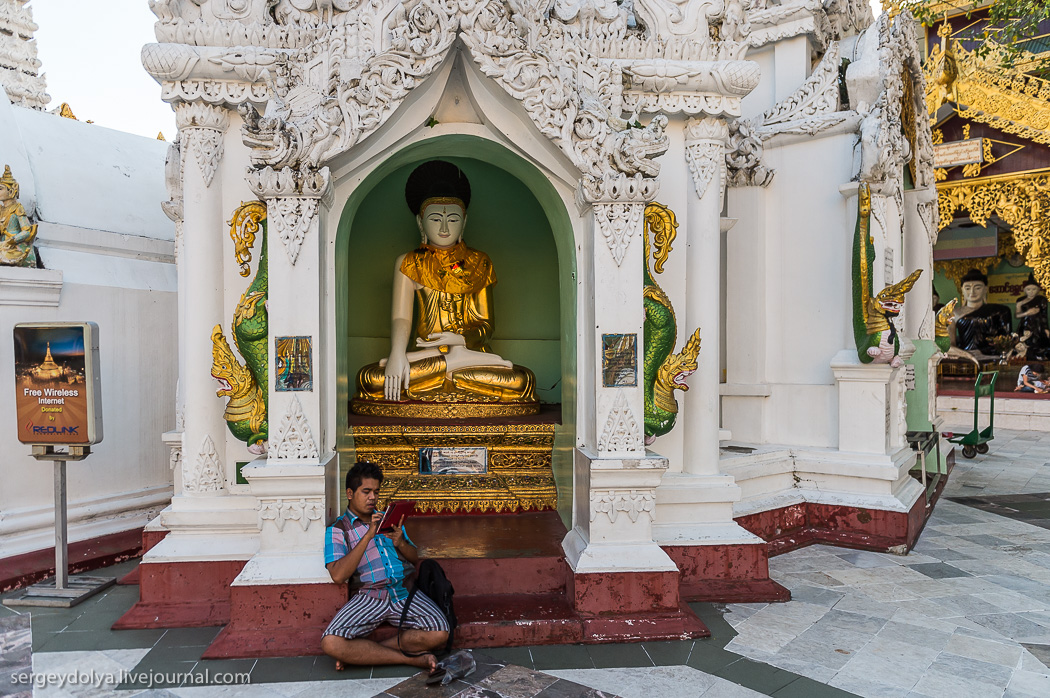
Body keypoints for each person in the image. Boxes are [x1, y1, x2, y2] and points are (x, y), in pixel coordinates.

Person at [355, 160, 536, 405]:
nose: (443, 228)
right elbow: (401, 318)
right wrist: (397, 354)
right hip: (427, 358)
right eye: (434, 219)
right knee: (370, 379)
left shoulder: (479, 262)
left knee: (522, 381)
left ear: (464, 222)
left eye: (452, 219)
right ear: (420, 222)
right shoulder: (408, 263)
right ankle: (451, 365)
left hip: (473, 356)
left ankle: (455, 362)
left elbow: (486, 326)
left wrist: (460, 340)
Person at [321, 461, 449, 672]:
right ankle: (411, 660)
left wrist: (401, 542)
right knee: (331, 643)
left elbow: (414, 558)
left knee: (440, 632)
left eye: (376, 492)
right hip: (370, 596)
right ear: (350, 493)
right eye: (366, 491)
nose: (373, 497)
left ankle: (364, 653)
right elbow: (337, 575)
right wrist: (368, 535)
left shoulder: (389, 519)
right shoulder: (337, 529)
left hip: (402, 592)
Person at [950, 268, 1013, 360]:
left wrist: (984, 352)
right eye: (967, 288)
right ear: (962, 290)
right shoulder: (954, 314)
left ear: (985, 289)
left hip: (992, 358)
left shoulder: (1000, 311)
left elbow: (1006, 341)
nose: (972, 292)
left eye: (978, 288)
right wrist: (966, 355)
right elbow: (948, 345)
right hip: (966, 358)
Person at [1016, 276, 1050, 360]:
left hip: (1038, 324)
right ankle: (1025, 356)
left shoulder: (1041, 299)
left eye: (1034, 289)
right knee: (1023, 342)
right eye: (1028, 289)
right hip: (1025, 324)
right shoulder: (1020, 300)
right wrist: (1027, 313)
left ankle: (1038, 357)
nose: (1031, 292)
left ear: (1038, 290)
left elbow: (1044, 314)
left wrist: (1046, 328)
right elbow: (1017, 315)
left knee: (1038, 342)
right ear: (1025, 290)